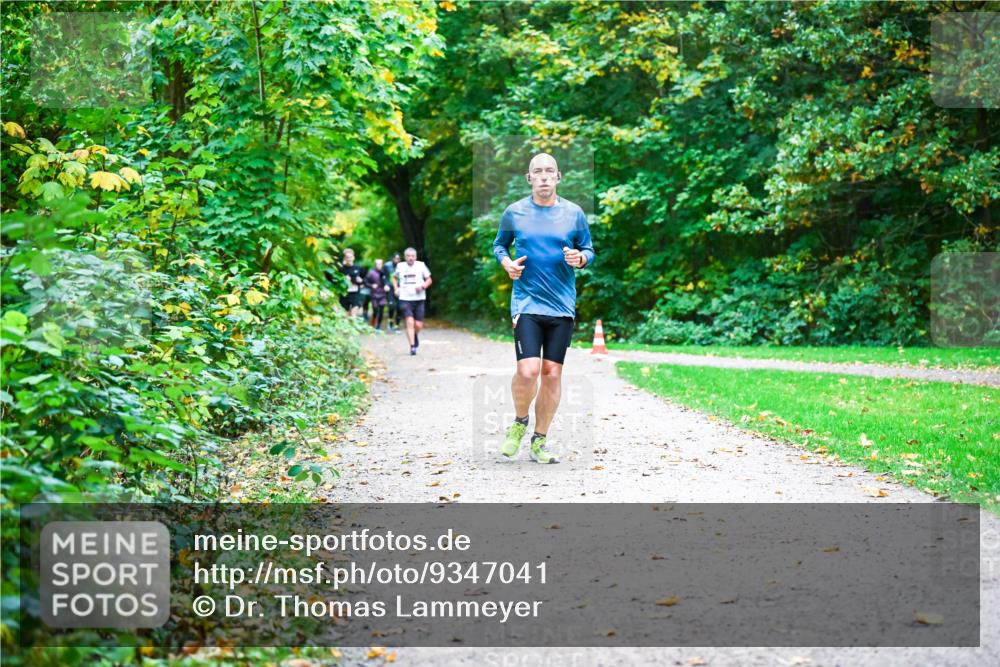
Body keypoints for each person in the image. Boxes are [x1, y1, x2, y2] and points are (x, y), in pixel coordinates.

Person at [491, 153, 595, 464]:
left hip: (561, 305)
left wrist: (581, 258)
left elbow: (588, 249)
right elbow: (499, 245)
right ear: (529, 178)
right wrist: (507, 263)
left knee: (552, 373)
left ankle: (540, 440)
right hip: (527, 301)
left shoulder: (574, 214)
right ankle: (520, 421)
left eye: (550, 170)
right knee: (528, 370)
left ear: (558, 176)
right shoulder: (514, 212)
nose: (544, 176)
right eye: (538, 171)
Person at [391, 247, 432, 355]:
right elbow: (394, 278)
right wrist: (396, 288)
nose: (410, 258)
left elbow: (429, 279)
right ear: (405, 257)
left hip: (419, 298)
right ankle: (412, 347)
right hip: (405, 298)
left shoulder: (421, 265)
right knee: (409, 322)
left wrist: (423, 286)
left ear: (416, 257)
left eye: (413, 256)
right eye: (408, 256)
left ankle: (414, 335)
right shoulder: (400, 266)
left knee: (418, 325)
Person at [338, 248, 365, 317]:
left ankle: (355, 322)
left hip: (355, 293)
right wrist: (344, 279)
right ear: (344, 258)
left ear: (353, 257)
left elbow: (365, 280)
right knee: (345, 315)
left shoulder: (358, 268)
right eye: (347, 257)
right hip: (344, 294)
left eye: (350, 257)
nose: (349, 259)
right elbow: (336, 281)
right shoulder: (341, 269)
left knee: (353, 313)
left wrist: (361, 281)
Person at [366, 259, 389, 329]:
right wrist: (371, 285)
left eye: (380, 264)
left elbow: (387, 281)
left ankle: (378, 325)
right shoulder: (371, 273)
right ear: (375, 265)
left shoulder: (384, 272)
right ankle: (373, 323)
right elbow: (365, 282)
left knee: (381, 310)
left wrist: (387, 285)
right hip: (374, 295)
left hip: (383, 294)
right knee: (375, 310)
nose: (379, 265)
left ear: (382, 264)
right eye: (377, 264)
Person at [385, 252, 402, 331]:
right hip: (391, 289)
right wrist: (386, 284)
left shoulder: (402, 267)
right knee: (391, 306)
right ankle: (390, 322)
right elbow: (384, 276)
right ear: (392, 259)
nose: (397, 260)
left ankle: (397, 325)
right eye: (395, 258)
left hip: (401, 288)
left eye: (398, 259)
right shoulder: (387, 266)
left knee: (399, 307)